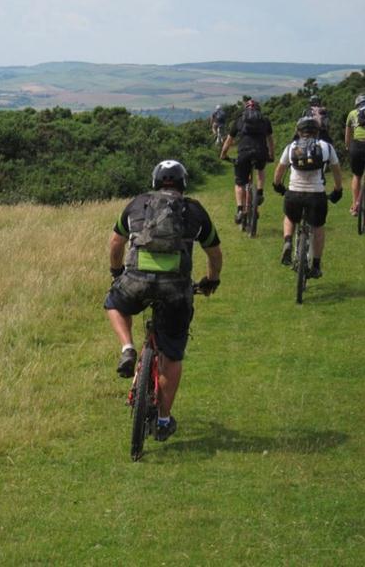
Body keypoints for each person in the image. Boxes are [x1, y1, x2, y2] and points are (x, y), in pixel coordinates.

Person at [104, 160, 222, 442]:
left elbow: (115, 244)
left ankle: (128, 347)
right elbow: (214, 254)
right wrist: (211, 280)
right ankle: (164, 420)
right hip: (176, 290)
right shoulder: (193, 210)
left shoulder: (137, 204)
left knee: (114, 303)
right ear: (183, 184)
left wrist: (117, 272)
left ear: (155, 182)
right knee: (172, 354)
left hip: (136, 281)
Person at [273, 116, 343, 278]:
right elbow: (337, 171)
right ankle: (316, 265)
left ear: (298, 131)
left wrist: (278, 185)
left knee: (290, 217)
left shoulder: (291, 147)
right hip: (316, 195)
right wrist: (337, 190)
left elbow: (279, 171)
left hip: (294, 193)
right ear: (317, 131)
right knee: (318, 226)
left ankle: (288, 242)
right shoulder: (326, 147)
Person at [220, 99, 275, 224]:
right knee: (260, 169)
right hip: (261, 152)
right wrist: (271, 155)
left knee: (239, 183)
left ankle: (240, 209)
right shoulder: (265, 120)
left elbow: (229, 141)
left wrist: (223, 155)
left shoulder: (239, 120)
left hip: (244, 153)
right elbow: (270, 140)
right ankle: (259, 192)